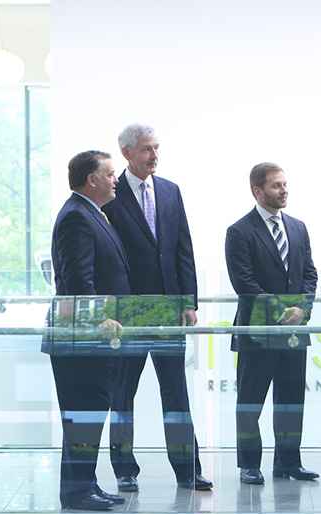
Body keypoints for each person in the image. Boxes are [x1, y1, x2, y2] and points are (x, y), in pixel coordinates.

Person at [102, 124, 212, 493]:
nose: (154, 155)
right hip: (129, 314)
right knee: (123, 394)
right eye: (146, 149)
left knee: (176, 393)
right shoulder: (111, 194)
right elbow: (107, 258)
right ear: (127, 153)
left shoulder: (170, 190)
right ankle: (124, 470)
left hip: (167, 310)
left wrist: (189, 302)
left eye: (156, 148)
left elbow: (183, 247)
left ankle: (187, 469)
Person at [42, 150, 131, 511]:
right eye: (110, 174)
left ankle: (86, 483)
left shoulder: (92, 214)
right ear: (91, 180)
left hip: (92, 339)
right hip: (82, 338)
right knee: (83, 414)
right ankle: (78, 492)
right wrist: (97, 320)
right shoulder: (77, 218)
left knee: (89, 413)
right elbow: (78, 279)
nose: (116, 180)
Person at [225, 163, 319, 485]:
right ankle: (249, 464)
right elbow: (244, 283)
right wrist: (282, 310)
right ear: (258, 191)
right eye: (277, 186)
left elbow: (310, 273)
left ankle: (289, 462)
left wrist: (302, 309)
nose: (284, 190)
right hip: (257, 332)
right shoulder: (239, 231)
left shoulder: (298, 227)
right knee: (250, 401)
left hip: (294, 332)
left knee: (291, 400)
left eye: (285, 184)